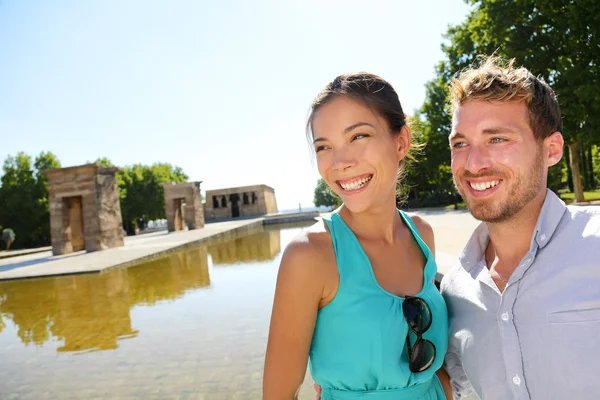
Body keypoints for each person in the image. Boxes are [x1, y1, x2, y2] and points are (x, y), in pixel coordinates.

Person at [263, 73, 452, 399]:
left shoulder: (421, 235)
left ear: (401, 142)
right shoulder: (309, 256)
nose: (340, 162)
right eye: (324, 146)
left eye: (358, 136)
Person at [442, 56, 600, 399]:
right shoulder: (455, 290)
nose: (473, 163)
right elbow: (453, 389)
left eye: (497, 139)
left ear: (552, 149)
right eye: (460, 143)